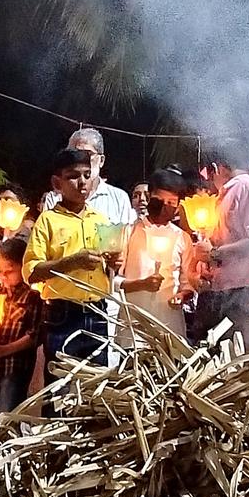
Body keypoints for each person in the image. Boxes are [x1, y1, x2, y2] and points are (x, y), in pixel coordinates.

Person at [25, 148, 115, 376]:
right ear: (57, 183)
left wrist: (115, 262)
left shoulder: (101, 220)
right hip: (62, 315)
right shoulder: (48, 220)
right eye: (73, 176)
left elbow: (111, 271)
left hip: (98, 312)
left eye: (87, 175)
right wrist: (71, 262)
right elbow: (31, 272)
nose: (82, 182)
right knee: (60, 387)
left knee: (95, 387)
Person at [191, 143, 249, 351]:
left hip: (242, 293)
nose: (208, 181)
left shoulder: (248, 187)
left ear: (216, 167)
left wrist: (214, 254)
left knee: (237, 362)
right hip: (219, 292)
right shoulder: (225, 194)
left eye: (207, 174)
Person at [118, 167, 194, 345]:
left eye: (171, 202)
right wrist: (140, 284)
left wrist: (182, 295)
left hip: (169, 327)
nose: (164, 207)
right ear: (149, 196)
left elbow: (188, 282)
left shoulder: (182, 238)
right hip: (133, 328)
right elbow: (113, 281)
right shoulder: (128, 232)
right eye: (159, 200)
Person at [0, 238, 42, 417]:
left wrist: (3, 350)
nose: (3, 277)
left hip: (15, 367)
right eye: (0, 272)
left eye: (9, 271)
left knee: (6, 416)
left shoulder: (32, 297)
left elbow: (34, 336)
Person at [40, 128, 135, 226]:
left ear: (101, 161)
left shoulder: (119, 199)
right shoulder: (54, 198)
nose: (81, 160)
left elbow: (125, 238)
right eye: (75, 154)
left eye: (88, 154)